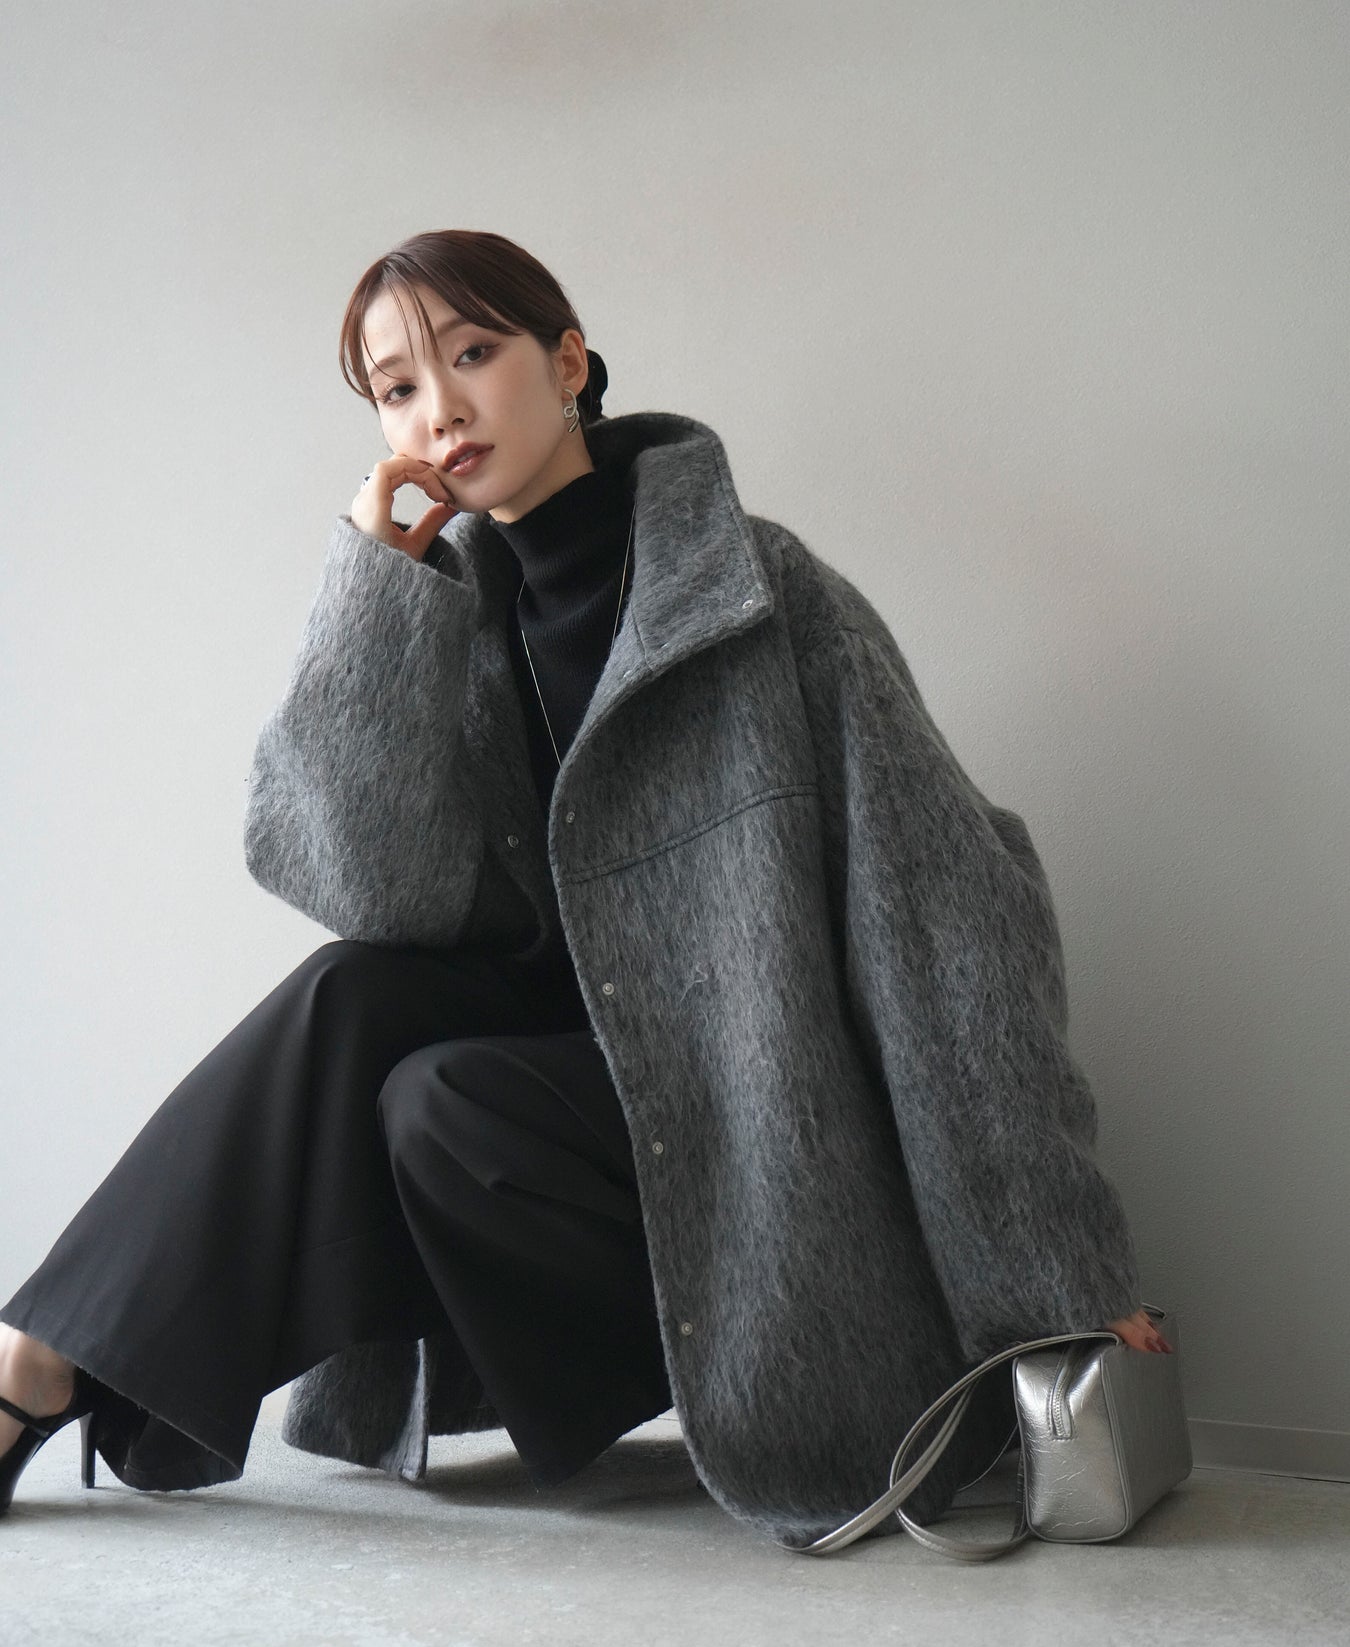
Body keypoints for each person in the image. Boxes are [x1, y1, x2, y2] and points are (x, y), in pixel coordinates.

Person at [1, 229, 1171, 1541]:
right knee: (353, 994)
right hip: (580, 1138)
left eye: (472, 354)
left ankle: (41, 1372)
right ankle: (38, 1363)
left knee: (439, 1101)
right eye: (396, 388)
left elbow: (951, 941)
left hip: (769, 1166)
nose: (439, 410)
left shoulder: (762, 600)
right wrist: (375, 599)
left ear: (568, 364)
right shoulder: (450, 624)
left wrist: (1053, 1286)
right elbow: (360, 886)